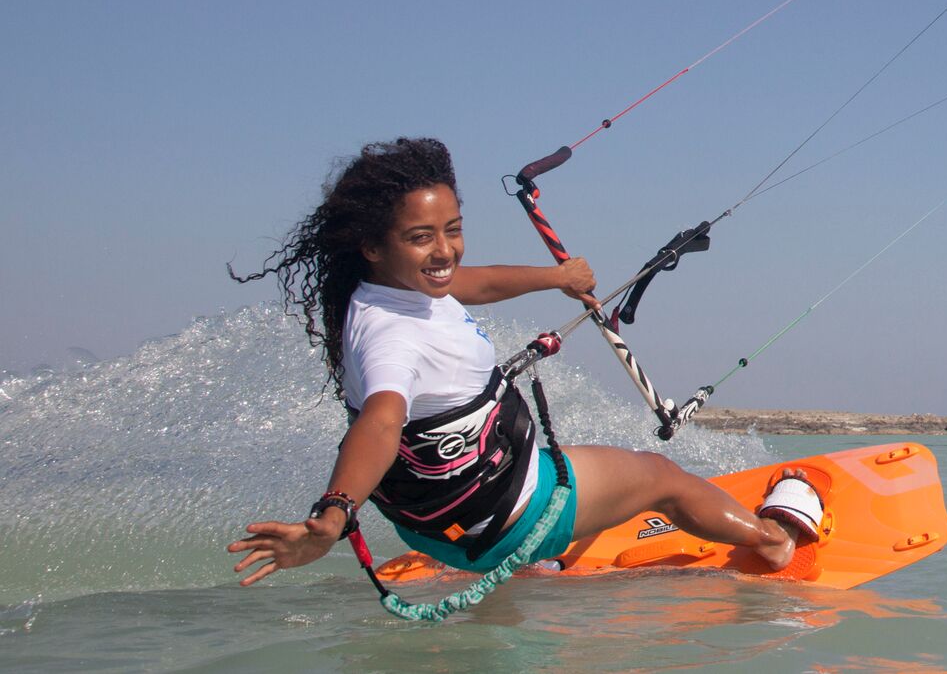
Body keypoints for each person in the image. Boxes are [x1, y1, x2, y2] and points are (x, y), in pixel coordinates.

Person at [227, 137, 823, 587]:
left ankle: (520, 580)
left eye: (452, 230)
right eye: (421, 238)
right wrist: (332, 517)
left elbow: (468, 281)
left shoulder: (381, 290)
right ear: (374, 245)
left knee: (532, 458)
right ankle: (772, 543)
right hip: (501, 515)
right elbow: (381, 421)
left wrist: (555, 278)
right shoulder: (392, 338)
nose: (444, 251)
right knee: (660, 479)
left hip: (433, 525)